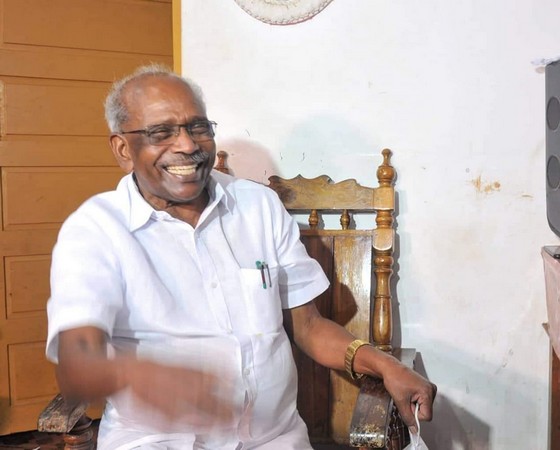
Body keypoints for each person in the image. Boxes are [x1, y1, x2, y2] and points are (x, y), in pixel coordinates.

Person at [45, 64, 436, 450]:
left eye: (198, 127)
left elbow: (309, 327)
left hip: (274, 438)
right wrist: (148, 379)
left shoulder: (258, 206)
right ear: (122, 149)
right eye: (161, 133)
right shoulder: (96, 229)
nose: (187, 145)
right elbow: (78, 358)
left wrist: (386, 366)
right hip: (156, 440)